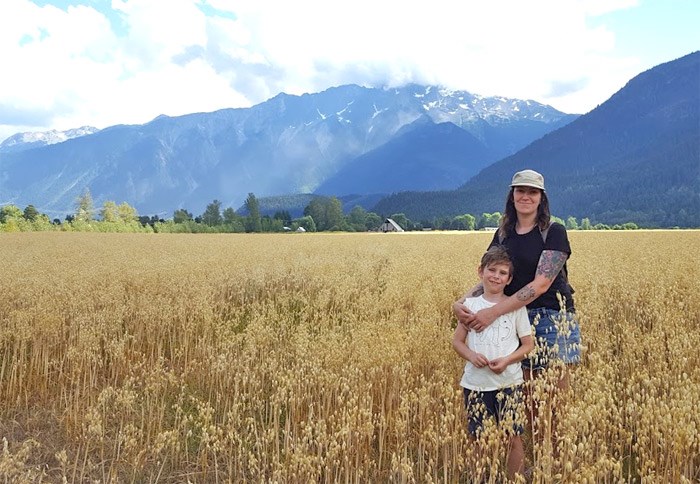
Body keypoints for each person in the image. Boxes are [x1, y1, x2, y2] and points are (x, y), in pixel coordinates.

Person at [453, 168, 582, 452]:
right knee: (523, 399)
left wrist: (493, 313)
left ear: (541, 198)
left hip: (552, 319)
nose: (525, 196)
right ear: (512, 196)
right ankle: (529, 463)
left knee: (552, 402)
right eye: (520, 190)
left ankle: (557, 464)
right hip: (513, 319)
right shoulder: (503, 234)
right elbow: (490, 275)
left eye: (532, 192)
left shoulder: (553, 231)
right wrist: (460, 303)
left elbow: (541, 285)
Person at [453, 246, 534, 480]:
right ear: (480, 272)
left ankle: (514, 478)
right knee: (478, 437)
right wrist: (471, 356)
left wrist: (508, 360)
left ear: (509, 280)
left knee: (513, 436)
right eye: (492, 270)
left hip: (509, 383)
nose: (496, 276)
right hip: (476, 384)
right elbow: (457, 341)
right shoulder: (470, 306)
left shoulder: (515, 307)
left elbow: (527, 345)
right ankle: (479, 478)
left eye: (502, 273)